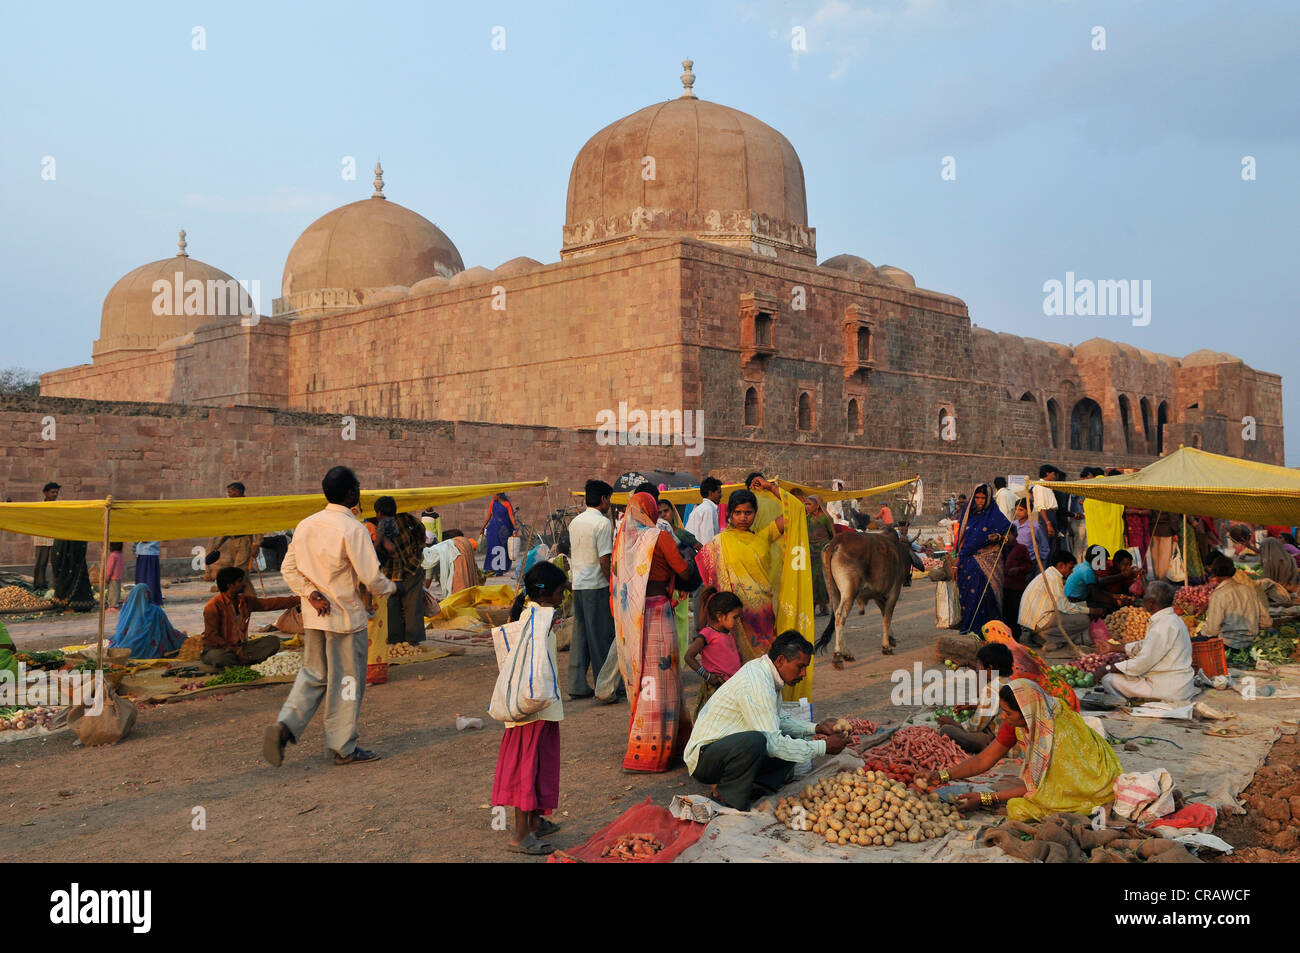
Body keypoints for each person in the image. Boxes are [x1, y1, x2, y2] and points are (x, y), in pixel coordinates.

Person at [264, 466, 396, 767]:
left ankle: (285, 726)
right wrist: (391, 588)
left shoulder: (306, 525)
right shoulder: (353, 529)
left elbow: (288, 569)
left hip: (315, 617)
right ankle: (342, 746)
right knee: (347, 682)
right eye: (358, 486)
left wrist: (310, 592)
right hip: (346, 621)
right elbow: (370, 578)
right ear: (351, 493)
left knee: (313, 674)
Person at [684, 631, 847, 810]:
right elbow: (773, 743)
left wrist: (816, 728)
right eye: (800, 666)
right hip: (704, 757)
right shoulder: (757, 682)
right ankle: (728, 799)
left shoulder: (769, 674)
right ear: (781, 660)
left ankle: (757, 786)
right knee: (759, 740)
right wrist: (823, 747)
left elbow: (778, 719)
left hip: (726, 748)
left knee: (793, 739)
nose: (804, 673)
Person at [919, 680, 1121, 821]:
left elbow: (1038, 789)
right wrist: (941, 776)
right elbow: (983, 760)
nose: (1002, 717)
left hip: (1091, 781)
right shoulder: (1018, 721)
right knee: (1008, 786)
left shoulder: (1055, 736)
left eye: (1007, 712)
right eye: (1002, 710)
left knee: (1021, 808)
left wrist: (985, 799)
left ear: (1027, 713)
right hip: (1056, 776)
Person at [611, 492, 692, 772]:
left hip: (633, 620)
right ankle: (663, 750)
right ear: (652, 511)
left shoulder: (622, 541)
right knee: (662, 676)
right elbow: (683, 571)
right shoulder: (659, 537)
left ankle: (642, 746)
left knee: (643, 676)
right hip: (658, 613)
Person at [492, 561, 568, 855]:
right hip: (532, 711)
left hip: (541, 708)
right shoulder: (537, 619)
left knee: (539, 767)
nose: (563, 598)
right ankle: (520, 834)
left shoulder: (533, 616)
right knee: (527, 770)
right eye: (560, 592)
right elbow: (545, 617)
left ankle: (534, 821)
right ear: (547, 594)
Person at [694, 488, 788, 662]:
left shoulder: (763, 537)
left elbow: (794, 512)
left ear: (755, 513)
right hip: (732, 614)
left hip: (761, 613)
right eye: (737, 512)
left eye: (748, 512)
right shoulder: (718, 543)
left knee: (765, 662)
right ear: (730, 513)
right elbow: (709, 585)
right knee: (735, 663)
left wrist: (771, 487)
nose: (743, 517)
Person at [1099, 581, 1196, 701]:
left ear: (1151, 602)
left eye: (1145, 595)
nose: (1142, 598)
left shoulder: (1162, 625)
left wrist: (1107, 668)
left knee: (1108, 679)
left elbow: (1143, 662)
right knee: (1125, 675)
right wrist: (1113, 648)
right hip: (1179, 684)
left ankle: (1129, 704)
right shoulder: (1172, 620)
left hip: (1167, 689)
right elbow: (1146, 645)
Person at [568, 479, 618, 701]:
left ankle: (577, 684)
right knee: (601, 638)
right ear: (604, 499)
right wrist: (613, 585)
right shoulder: (603, 523)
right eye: (609, 499)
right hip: (597, 585)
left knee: (580, 637)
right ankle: (604, 687)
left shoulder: (575, 522)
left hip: (578, 584)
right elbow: (604, 559)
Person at [201, 567, 297, 669]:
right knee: (220, 658)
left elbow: (269, 603)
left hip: (241, 647)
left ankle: (242, 660)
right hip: (219, 649)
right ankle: (244, 659)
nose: (244, 583)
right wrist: (235, 651)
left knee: (273, 641)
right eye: (240, 581)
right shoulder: (213, 606)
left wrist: (298, 600)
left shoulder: (244, 601)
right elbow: (212, 636)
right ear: (230, 585)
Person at [955, 484, 1011, 634]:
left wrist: (998, 537)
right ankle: (969, 629)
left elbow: (1010, 534)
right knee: (969, 598)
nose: (980, 501)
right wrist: (957, 559)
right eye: (977, 498)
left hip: (988, 561)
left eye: (983, 498)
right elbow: (961, 539)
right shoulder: (968, 514)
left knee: (985, 597)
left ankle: (988, 632)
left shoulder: (995, 515)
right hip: (967, 562)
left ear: (988, 499)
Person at [373, 496, 427, 646]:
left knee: (392, 608)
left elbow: (380, 549)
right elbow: (421, 530)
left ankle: (396, 641)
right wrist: (418, 550)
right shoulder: (404, 517)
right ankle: (411, 641)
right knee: (412, 607)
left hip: (395, 573)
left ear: (378, 513)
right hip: (410, 568)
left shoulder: (378, 525)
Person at [684, 589, 744, 717]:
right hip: (716, 686)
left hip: (730, 686)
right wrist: (707, 676)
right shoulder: (707, 634)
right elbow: (688, 657)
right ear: (720, 616)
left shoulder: (728, 633)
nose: (738, 621)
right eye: (735, 617)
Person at [1018, 549, 1091, 649]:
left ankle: (1039, 637)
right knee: (1084, 620)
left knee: (1073, 613)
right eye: (1070, 568)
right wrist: (1090, 610)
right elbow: (1064, 607)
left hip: (1030, 622)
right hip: (1037, 622)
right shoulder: (1053, 578)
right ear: (1061, 565)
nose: (1072, 571)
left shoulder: (1048, 574)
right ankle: (1050, 638)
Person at [1202, 555, 1271, 651]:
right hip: (1251, 643)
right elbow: (1266, 621)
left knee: (1193, 641)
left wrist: (1201, 633)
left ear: (1215, 574)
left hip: (1229, 645)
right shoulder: (1249, 590)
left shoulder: (1218, 595)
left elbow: (1212, 630)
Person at [205, 481, 261, 583]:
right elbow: (229, 526)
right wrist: (219, 543)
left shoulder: (249, 505)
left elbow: (257, 526)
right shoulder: (232, 506)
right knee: (242, 574)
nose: (229, 495)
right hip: (232, 541)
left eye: (230, 492)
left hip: (244, 541)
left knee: (238, 570)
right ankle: (247, 595)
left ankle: (233, 592)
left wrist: (257, 545)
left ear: (238, 492)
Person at [110, 584, 186, 658]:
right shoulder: (156, 611)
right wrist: (182, 637)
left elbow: (120, 632)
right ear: (148, 595)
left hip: (128, 651)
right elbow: (169, 631)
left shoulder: (127, 611)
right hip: (152, 650)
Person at [804, 495, 836, 616]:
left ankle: (823, 607)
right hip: (810, 551)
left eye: (809, 504)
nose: (806, 507)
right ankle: (813, 606)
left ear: (817, 506)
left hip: (823, 550)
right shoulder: (806, 519)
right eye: (806, 504)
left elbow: (833, 535)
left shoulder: (825, 518)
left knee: (822, 579)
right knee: (811, 579)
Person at [50, 538, 95, 612]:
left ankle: (74, 604)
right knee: (62, 564)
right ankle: (65, 603)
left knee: (75, 569)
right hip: (63, 540)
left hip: (74, 541)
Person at [31, 481, 59, 591]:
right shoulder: (38, 506)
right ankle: (39, 586)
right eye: (53, 492)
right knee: (40, 563)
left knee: (57, 564)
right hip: (41, 537)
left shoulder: (60, 506)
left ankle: (57, 588)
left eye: (56, 492)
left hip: (55, 538)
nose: (55, 494)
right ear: (45, 493)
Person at [482, 492, 517, 575]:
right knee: (492, 548)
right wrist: (483, 527)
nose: (492, 496)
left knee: (501, 548)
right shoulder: (493, 503)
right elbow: (489, 515)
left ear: (499, 495)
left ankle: (499, 570)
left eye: (493, 494)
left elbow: (511, 516)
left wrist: (515, 528)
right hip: (493, 529)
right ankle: (489, 568)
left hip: (503, 530)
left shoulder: (507, 504)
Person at [684, 477, 723, 545]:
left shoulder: (701, 508)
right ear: (711, 493)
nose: (721, 495)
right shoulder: (708, 510)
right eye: (719, 492)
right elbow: (707, 538)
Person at [134, 540, 163, 606]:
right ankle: (153, 600)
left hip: (146, 553)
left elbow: (145, 539)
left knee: (146, 580)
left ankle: (146, 600)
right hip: (150, 553)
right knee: (152, 579)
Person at [104, 541, 125, 610]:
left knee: (112, 591)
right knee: (117, 591)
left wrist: (107, 577)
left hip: (113, 577)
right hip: (119, 577)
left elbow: (109, 568)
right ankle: (115, 604)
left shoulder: (113, 555)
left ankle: (112, 606)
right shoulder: (120, 555)